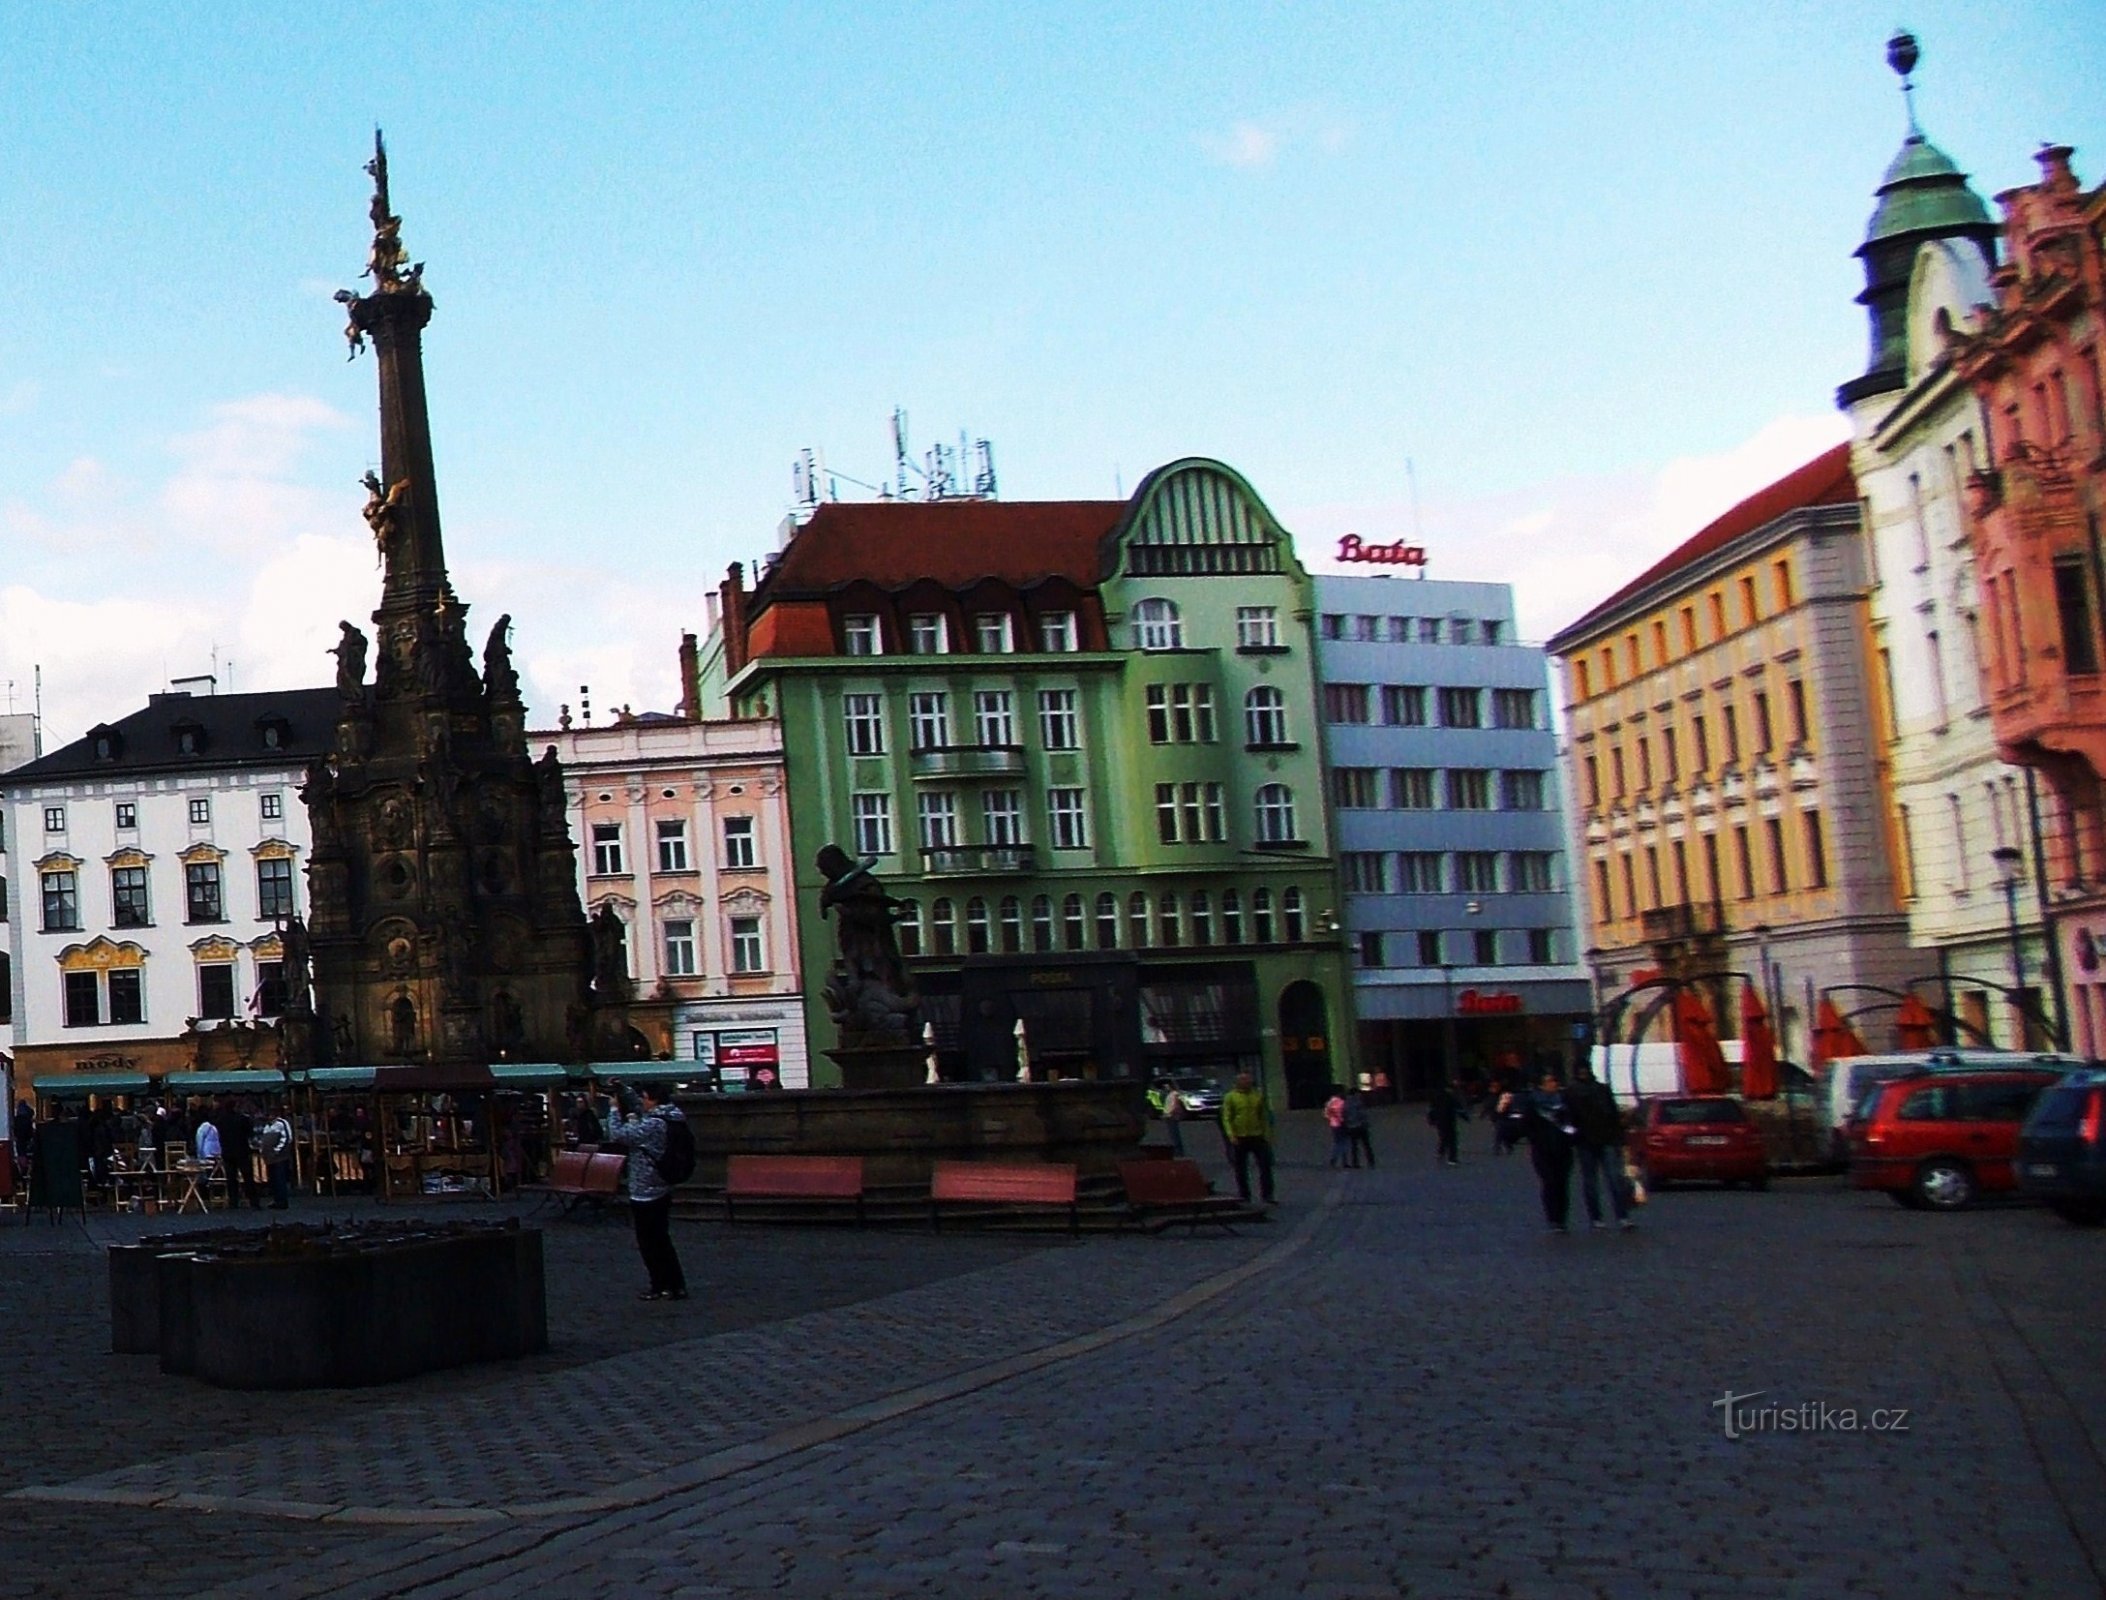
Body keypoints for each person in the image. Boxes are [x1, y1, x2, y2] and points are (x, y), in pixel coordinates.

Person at [599, 1084, 689, 1301]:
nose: (643, 1102)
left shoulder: (653, 1124)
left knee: (649, 1241)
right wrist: (623, 1089)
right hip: (662, 1185)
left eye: (646, 1098)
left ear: (654, 1100)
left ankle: (659, 1284)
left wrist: (612, 1110)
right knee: (662, 1239)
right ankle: (675, 1285)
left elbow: (618, 1135)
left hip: (645, 1188)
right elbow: (639, 1107)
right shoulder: (672, 1117)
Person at [1569, 1064, 1634, 1231]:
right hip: (1594, 1141)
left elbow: (1612, 1115)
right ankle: (1614, 1217)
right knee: (1604, 1181)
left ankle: (1607, 1218)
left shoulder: (1580, 1091)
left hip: (1599, 1140)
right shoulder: (1580, 1091)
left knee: (1607, 1181)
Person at [1521, 1072, 1577, 1232]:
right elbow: (1526, 1125)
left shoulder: (1564, 1101)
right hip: (1542, 1150)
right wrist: (1536, 1139)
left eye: (1554, 1080)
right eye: (1549, 1081)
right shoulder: (1533, 1103)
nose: (1553, 1084)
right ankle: (1553, 1218)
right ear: (1542, 1085)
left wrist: (1571, 1136)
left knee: (1562, 1184)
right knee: (1549, 1182)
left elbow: (1572, 1121)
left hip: (1563, 1149)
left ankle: (1562, 1218)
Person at [1219, 1071, 1276, 1205]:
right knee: (1240, 1168)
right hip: (1239, 1137)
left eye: (1249, 1081)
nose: (1247, 1083)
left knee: (1265, 1166)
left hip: (1257, 1136)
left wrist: (1267, 1134)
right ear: (1238, 1082)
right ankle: (1244, 1194)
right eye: (1244, 1081)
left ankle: (1267, 1194)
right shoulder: (1231, 1097)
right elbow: (1226, 1117)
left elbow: (1264, 1116)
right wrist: (1231, 1135)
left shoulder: (1257, 1095)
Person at [217, 1099, 261, 1210]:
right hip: (242, 1150)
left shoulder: (221, 1120)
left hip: (227, 1152)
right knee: (248, 1177)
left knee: (231, 1178)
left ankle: (233, 1201)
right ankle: (253, 1201)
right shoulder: (243, 1119)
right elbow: (250, 1133)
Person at [256, 1102, 296, 1210]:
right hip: (269, 1158)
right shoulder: (267, 1126)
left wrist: (276, 1150)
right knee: (273, 1180)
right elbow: (264, 1140)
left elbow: (287, 1138)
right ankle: (276, 1200)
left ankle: (282, 1201)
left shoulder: (282, 1123)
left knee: (280, 1179)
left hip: (279, 1157)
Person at [1427, 1079, 1463, 1166]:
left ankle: (1441, 1152)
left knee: (1443, 1136)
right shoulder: (1450, 1097)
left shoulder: (1436, 1097)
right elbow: (1458, 1107)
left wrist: (1431, 1120)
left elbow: (1432, 1109)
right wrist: (1465, 1117)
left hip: (1440, 1121)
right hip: (1449, 1120)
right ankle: (1452, 1158)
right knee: (1452, 1139)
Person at [1343, 1088, 1375, 1168]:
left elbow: (1345, 1116)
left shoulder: (1346, 1104)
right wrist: (1365, 1122)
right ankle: (1370, 1161)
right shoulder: (1358, 1103)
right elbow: (1362, 1114)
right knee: (1366, 1145)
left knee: (1355, 1146)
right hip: (1360, 1126)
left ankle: (1355, 1162)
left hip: (1352, 1127)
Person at [1324, 1087, 1351, 1168]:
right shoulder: (1342, 1102)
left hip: (1333, 1124)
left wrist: (1332, 1118)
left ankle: (1334, 1159)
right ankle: (1343, 1161)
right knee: (1344, 1143)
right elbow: (1346, 1113)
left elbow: (1326, 1114)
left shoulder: (1330, 1102)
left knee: (1337, 1143)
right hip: (1342, 1124)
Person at [1160, 1082, 1186, 1157]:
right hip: (1169, 1116)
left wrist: (1171, 1113)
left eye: (1167, 1086)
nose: (1165, 1087)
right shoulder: (1169, 1094)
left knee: (1174, 1134)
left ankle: (1178, 1152)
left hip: (1172, 1116)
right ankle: (1177, 1151)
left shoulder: (1174, 1094)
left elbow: (1175, 1105)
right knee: (1172, 1134)